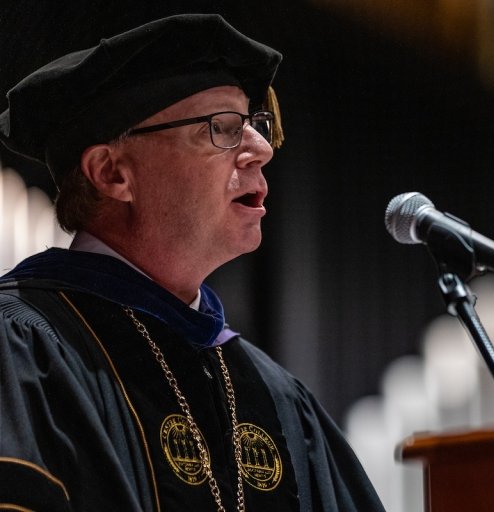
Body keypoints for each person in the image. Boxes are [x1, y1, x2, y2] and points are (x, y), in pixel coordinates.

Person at [0, 13, 384, 512]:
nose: (261, 150)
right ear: (112, 172)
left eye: (255, 125)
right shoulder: (23, 352)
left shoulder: (275, 396)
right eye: (221, 128)